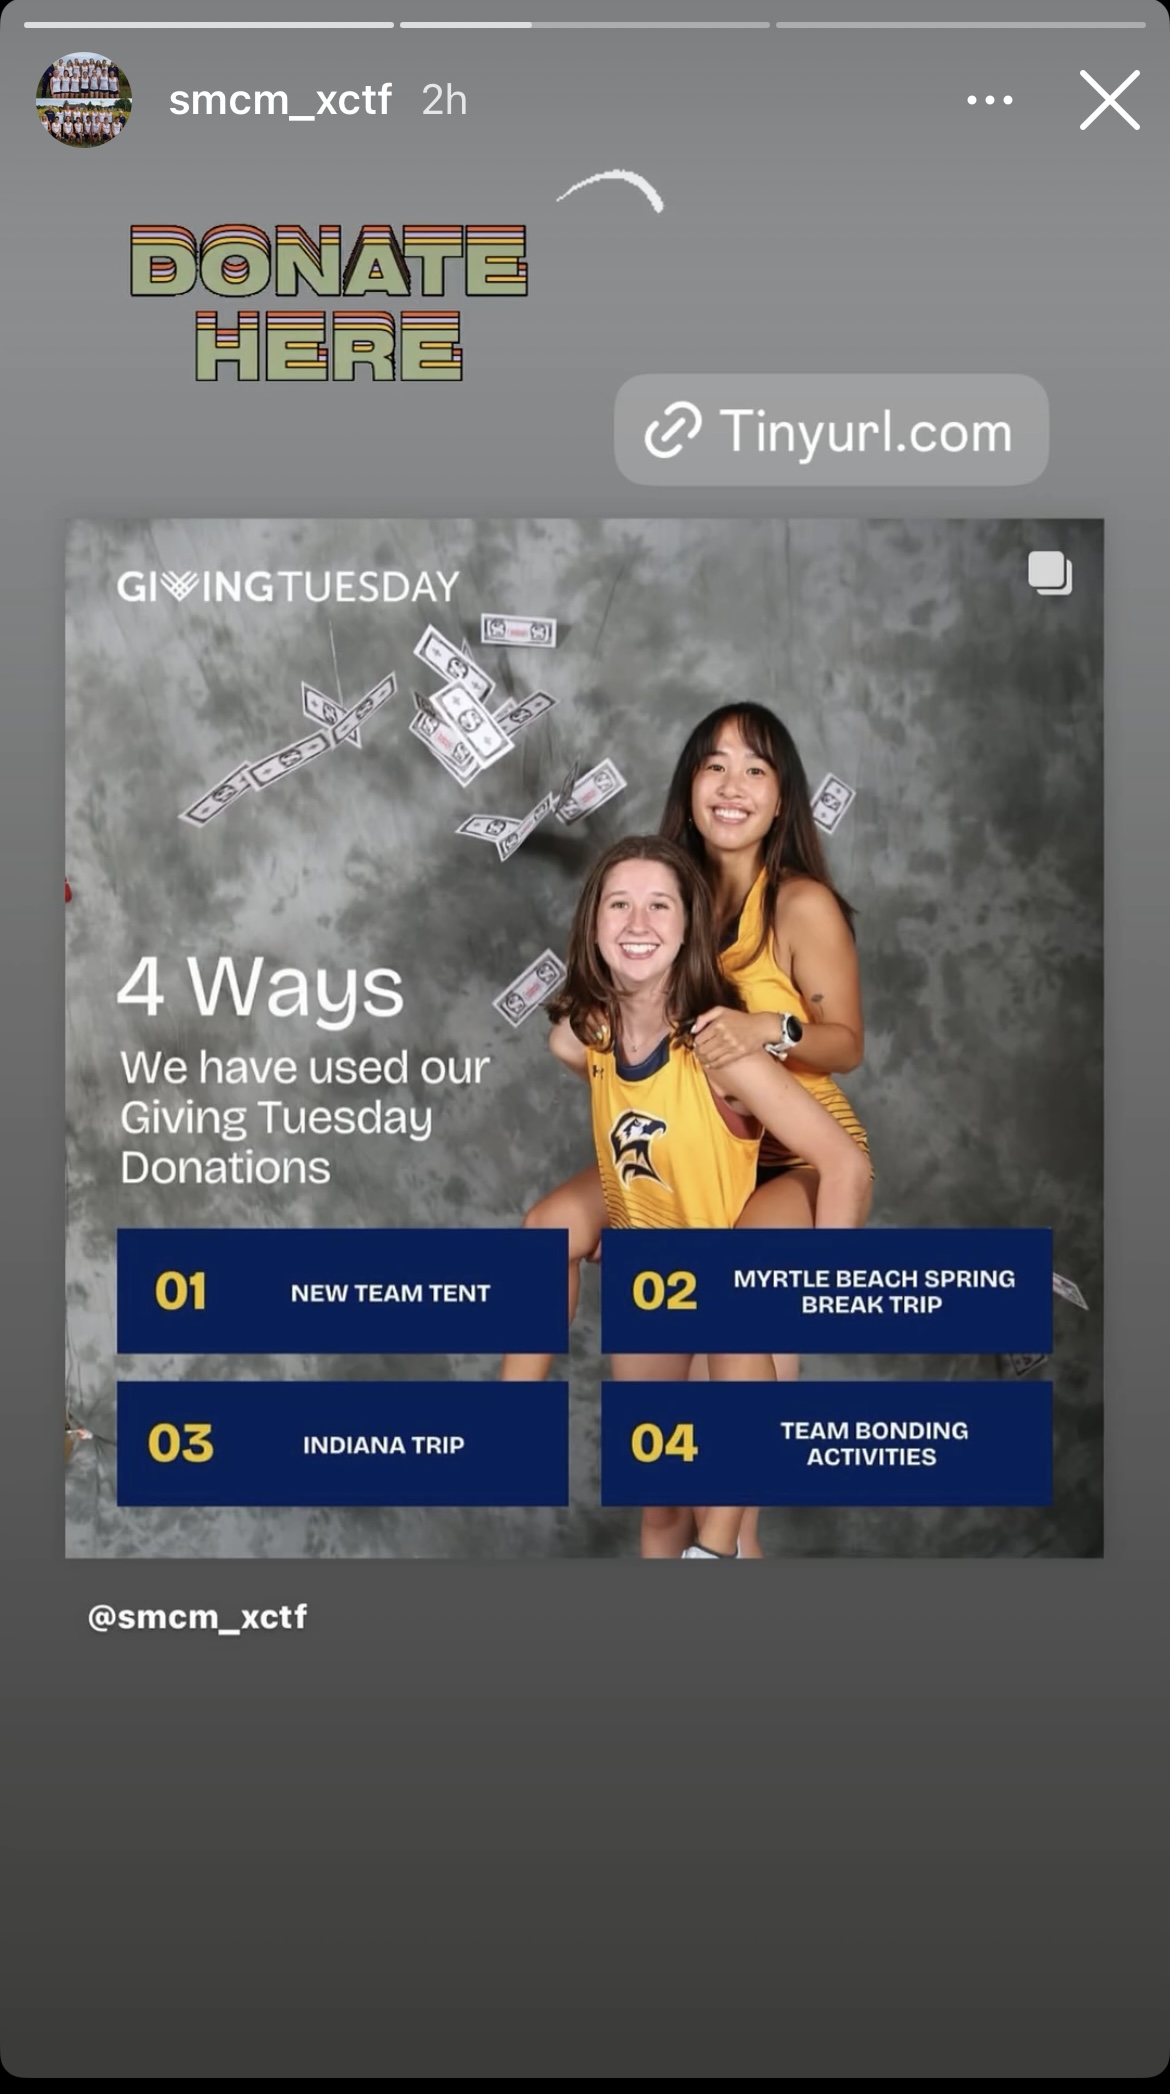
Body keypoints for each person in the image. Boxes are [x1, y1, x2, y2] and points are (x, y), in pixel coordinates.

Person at [502, 703, 873, 1556]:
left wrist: (767, 1034)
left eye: (755, 769)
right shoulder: (668, 892)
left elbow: (845, 1045)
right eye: (712, 765)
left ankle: (719, 1555)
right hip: (688, 1133)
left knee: (730, 1346)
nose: (732, 785)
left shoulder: (800, 902)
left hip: (790, 1148)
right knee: (547, 1231)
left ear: (783, 798)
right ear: (687, 785)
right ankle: (509, 1430)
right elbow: (597, 1036)